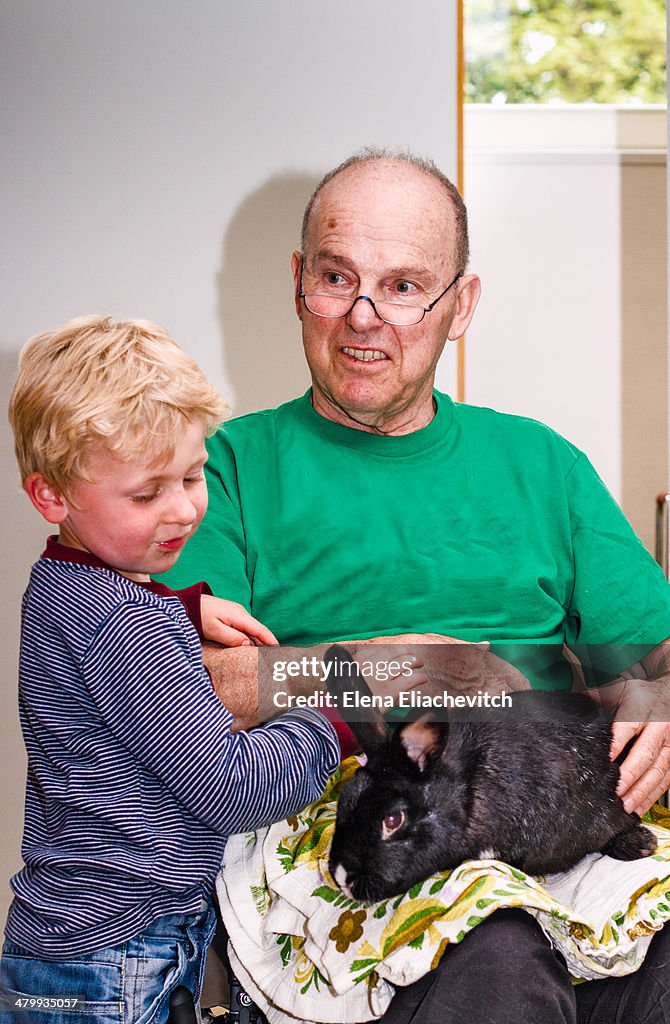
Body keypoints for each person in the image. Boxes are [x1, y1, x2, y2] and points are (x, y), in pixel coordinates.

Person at [164, 149, 670, 1023]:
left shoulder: (542, 464)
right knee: (499, 958)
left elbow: (652, 659)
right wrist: (406, 668)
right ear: (298, 281)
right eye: (336, 277)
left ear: (460, 305)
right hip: (369, 826)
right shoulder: (220, 469)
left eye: (403, 287)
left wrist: (660, 702)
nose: (364, 319)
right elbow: (200, 690)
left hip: (559, 814)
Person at [1, 315, 340, 1024]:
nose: (183, 508)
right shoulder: (126, 623)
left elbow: (103, 643)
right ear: (52, 496)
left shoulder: (61, 584)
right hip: (123, 953)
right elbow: (231, 787)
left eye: (192, 475)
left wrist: (181, 610)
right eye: (147, 493)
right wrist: (336, 722)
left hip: (66, 941)